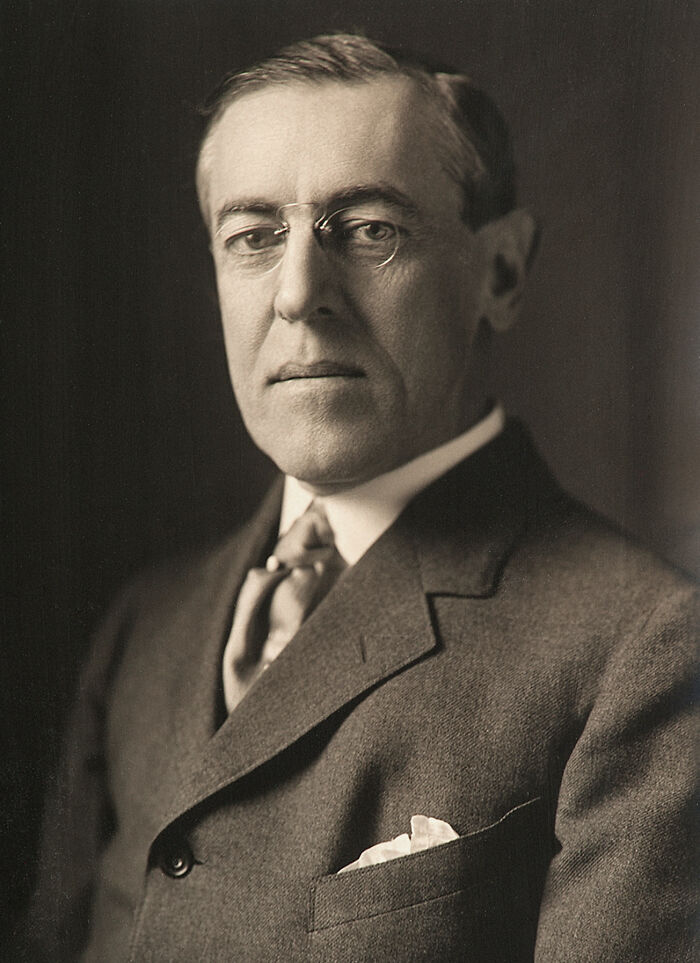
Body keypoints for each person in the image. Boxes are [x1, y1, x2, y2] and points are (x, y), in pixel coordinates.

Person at [25, 33, 696, 962]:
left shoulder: (644, 649)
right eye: (254, 237)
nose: (299, 293)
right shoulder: (149, 620)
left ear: (499, 273)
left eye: (371, 229)